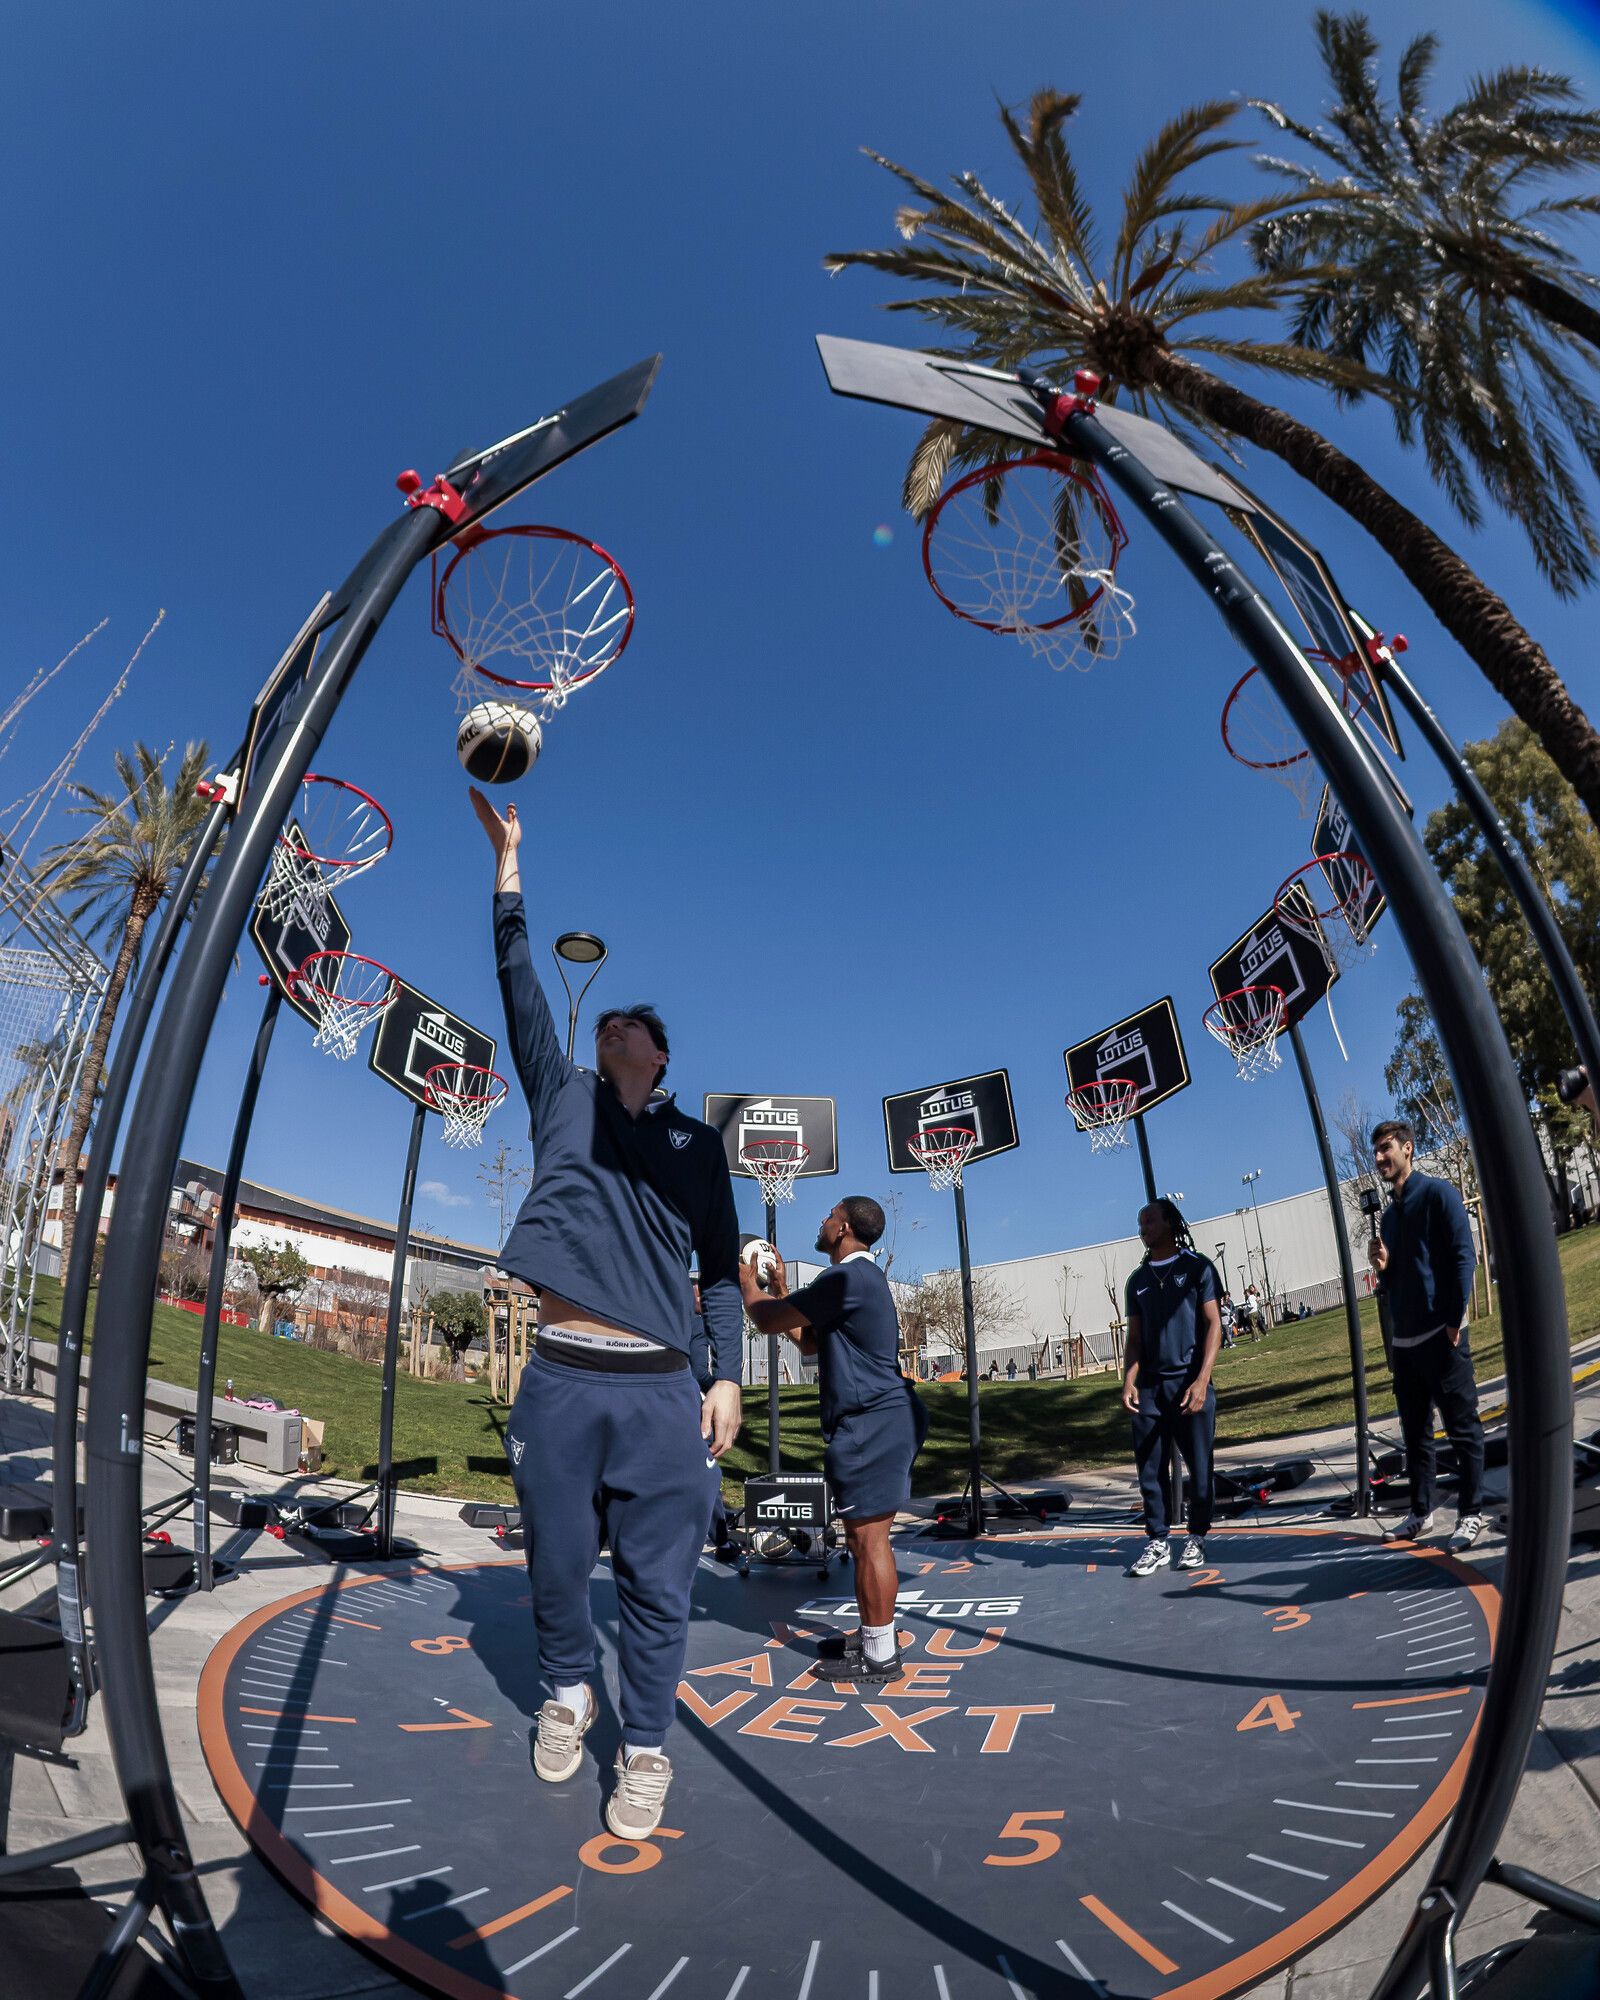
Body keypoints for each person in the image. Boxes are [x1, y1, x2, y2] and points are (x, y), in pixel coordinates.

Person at [473, 789, 743, 1837]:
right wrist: (508, 870)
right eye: (610, 1017)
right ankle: (566, 1691)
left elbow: (720, 1269)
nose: (616, 1021)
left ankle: (643, 1751)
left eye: (636, 1022)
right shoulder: (562, 1098)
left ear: (660, 1056)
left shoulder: (696, 1148)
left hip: (661, 1388)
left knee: (658, 1586)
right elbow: (519, 986)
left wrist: (724, 1373)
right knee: (551, 1566)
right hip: (560, 1372)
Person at [741, 1197, 928, 1686]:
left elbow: (766, 1321)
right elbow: (807, 1341)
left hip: (872, 1422)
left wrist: (746, 1280)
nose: (821, 1222)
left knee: (869, 1541)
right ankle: (873, 1636)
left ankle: (880, 1656)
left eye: (828, 1216)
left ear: (842, 1228)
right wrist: (780, 1287)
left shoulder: (845, 1279)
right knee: (863, 1538)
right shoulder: (856, 1281)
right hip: (878, 1420)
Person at [1367, 1119, 1486, 1552]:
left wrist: (1454, 1320)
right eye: (1376, 1151)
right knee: (1416, 1434)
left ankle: (1471, 1514)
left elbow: (1462, 1258)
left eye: (1385, 1148)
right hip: (1407, 1343)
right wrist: (1384, 1268)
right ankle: (1421, 1512)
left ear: (1408, 1149)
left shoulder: (1439, 1194)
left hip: (1443, 1336)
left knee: (1462, 1428)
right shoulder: (1389, 1216)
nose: (1379, 1157)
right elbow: (1398, 1279)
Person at [1120, 1200, 1223, 1577]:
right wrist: (1128, 1379)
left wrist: (1201, 1380)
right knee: (1150, 1471)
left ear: (1169, 1222)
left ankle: (1196, 1537)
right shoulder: (1137, 1280)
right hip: (1150, 1389)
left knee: (1199, 1469)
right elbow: (1134, 1338)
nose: (1142, 1226)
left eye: (1149, 1219)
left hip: (1189, 1384)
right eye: (1139, 1221)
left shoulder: (1198, 1268)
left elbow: (1215, 1325)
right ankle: (1158, 1541)